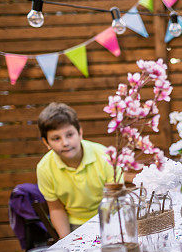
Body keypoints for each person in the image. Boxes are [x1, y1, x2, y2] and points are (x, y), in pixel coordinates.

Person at [36, 102, 120, 238]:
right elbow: (56, 208)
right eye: (56, 138)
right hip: (75, 224)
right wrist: (67, 242)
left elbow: (115, 201)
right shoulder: (44, 168)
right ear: (46, 143)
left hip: (109, 218)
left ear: (80, 133)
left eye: (69, 135)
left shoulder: (105, 156)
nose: (65, 143)